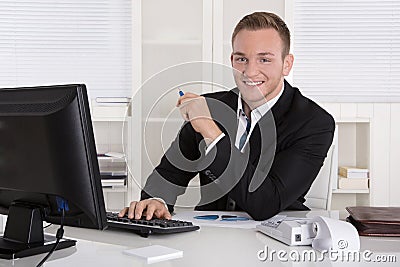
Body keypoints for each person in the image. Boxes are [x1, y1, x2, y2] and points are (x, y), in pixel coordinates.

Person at [119, 11, 335, 221]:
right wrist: (157, 201)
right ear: (232, 60)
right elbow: (168, 175)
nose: (250, 72)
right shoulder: (209, 107)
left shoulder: (314, 123)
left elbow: (265, 203)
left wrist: (210, 131)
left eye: (264, 60)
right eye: (242, 59)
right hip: (211, 234)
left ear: (286, 64)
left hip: (277, 238)